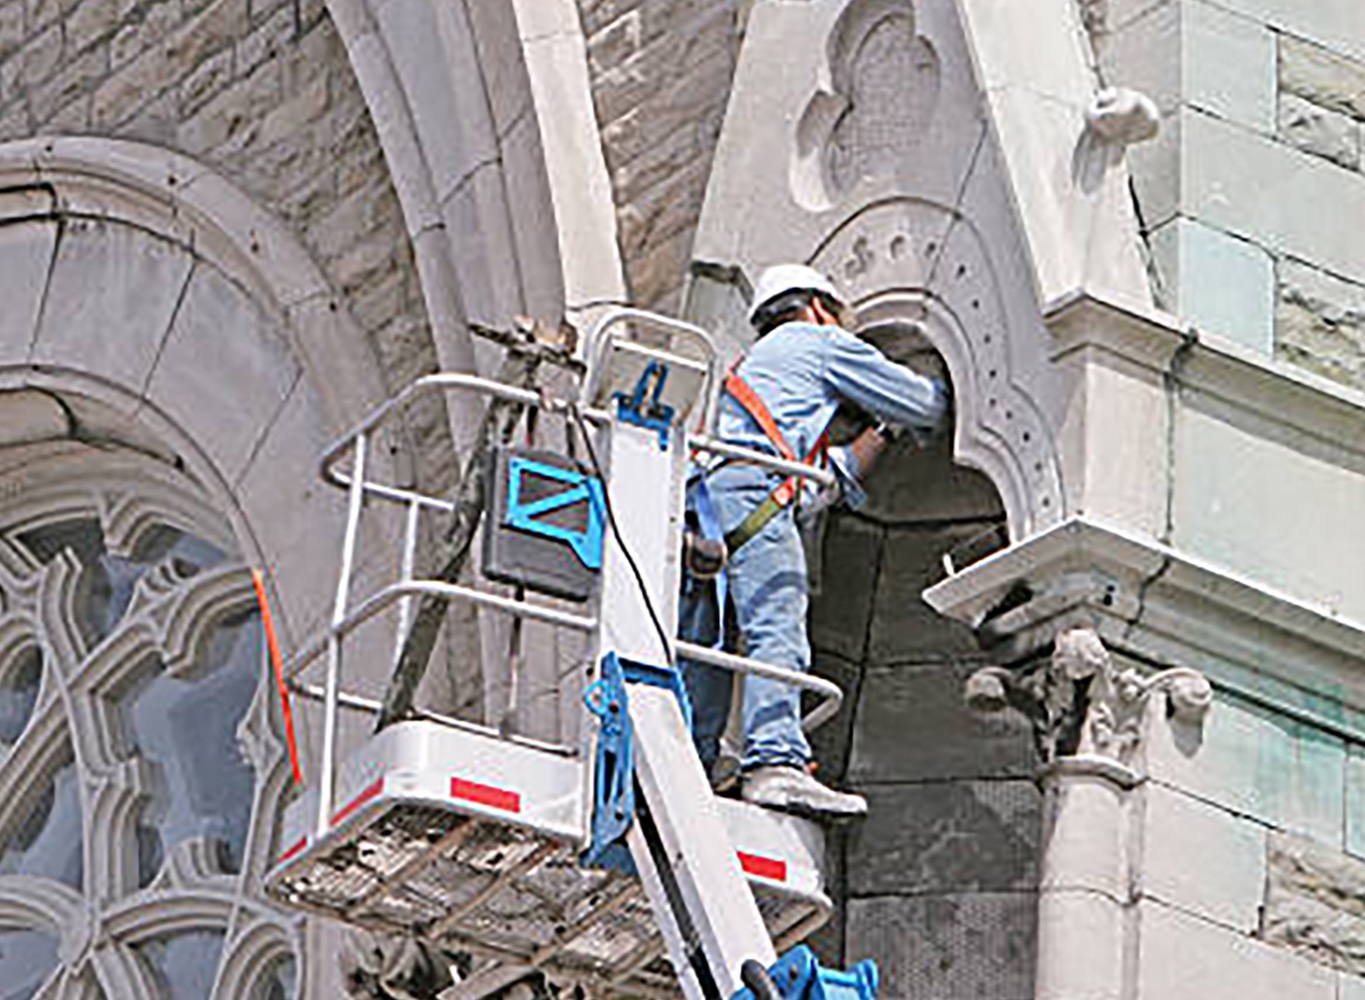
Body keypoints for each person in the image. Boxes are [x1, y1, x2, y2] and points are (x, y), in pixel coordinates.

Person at [680, 264, 950, 819]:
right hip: (756, 495)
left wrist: (881, 430)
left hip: (709, 506)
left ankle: (690, 766)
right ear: (818, 307)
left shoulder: (756, 371)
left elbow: (824, 479)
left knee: (710, 649)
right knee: (776, 625)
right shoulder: (817, 340)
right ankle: (774, 761)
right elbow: (924, 404)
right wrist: (935, 386)